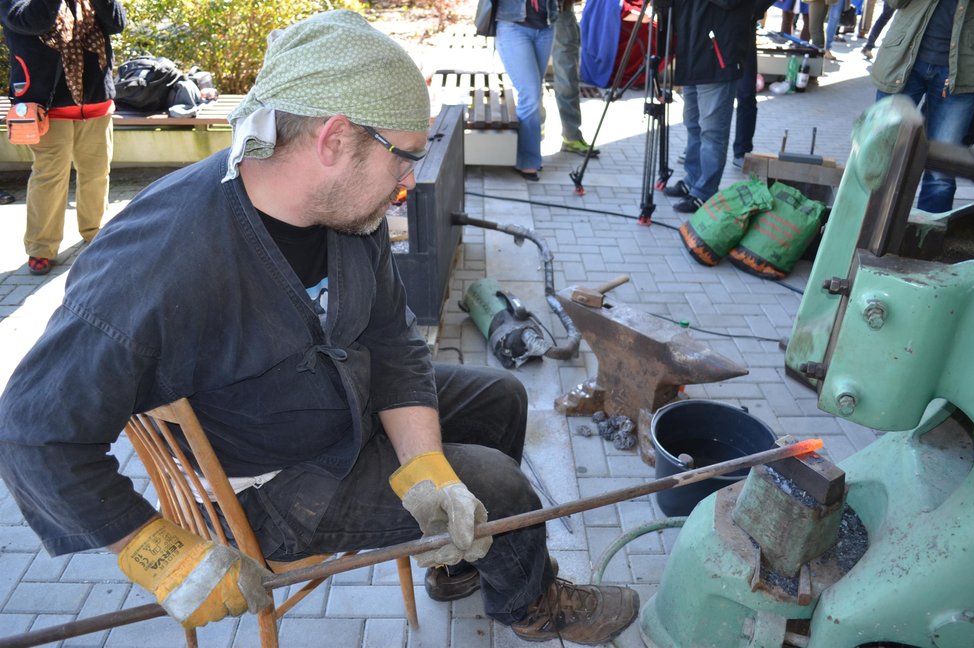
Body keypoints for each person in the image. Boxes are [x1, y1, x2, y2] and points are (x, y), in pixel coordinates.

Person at [0, 11, 639, 645]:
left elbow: (390, 339)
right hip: (282, 483)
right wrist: (154, 550)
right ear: (333, 141)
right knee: (500, 486)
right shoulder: (158, 261)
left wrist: (425, 467)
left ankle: (460, 559)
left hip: (343, 401)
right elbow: (32, 433)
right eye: (405, 159)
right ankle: (531, 605)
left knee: (503, 398)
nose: (410, 181)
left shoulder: (348, 213)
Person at [0, 0, 126, 276]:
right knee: (49, 176)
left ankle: (95, 232)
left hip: (95, 101)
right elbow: (34, 21)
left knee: (96, 172)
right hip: (48, 107)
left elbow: (117, 23)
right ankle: (41, 248)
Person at [871, 0, 974, 214]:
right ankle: (864, 230)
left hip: (963, 70)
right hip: (903, 60)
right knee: (882, 155)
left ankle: (925, 240)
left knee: (941, 172)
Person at [664, 0, 755, 212]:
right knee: (693, 124)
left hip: (719, 54)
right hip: (692, 49)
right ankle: (692, 179)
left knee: (712, 130)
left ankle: (705, 191)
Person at [495, 0, 559, 180]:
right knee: (530, 95)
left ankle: (528, 153)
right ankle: (528, 161)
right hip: (513, 27)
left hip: (546, 27)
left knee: (535, 94)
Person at [552, 0, 601, 157]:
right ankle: (533, 140)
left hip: (561, 13)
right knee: (532, 84)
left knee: (567, 78)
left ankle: (571, 136)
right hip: (529, 19)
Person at [733, 0, 778, 169]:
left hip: (744, 27)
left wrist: (752, 10)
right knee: (705, 91)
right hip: (713, 26)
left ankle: (743, 151)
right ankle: (695, 147)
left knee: (746, 93)